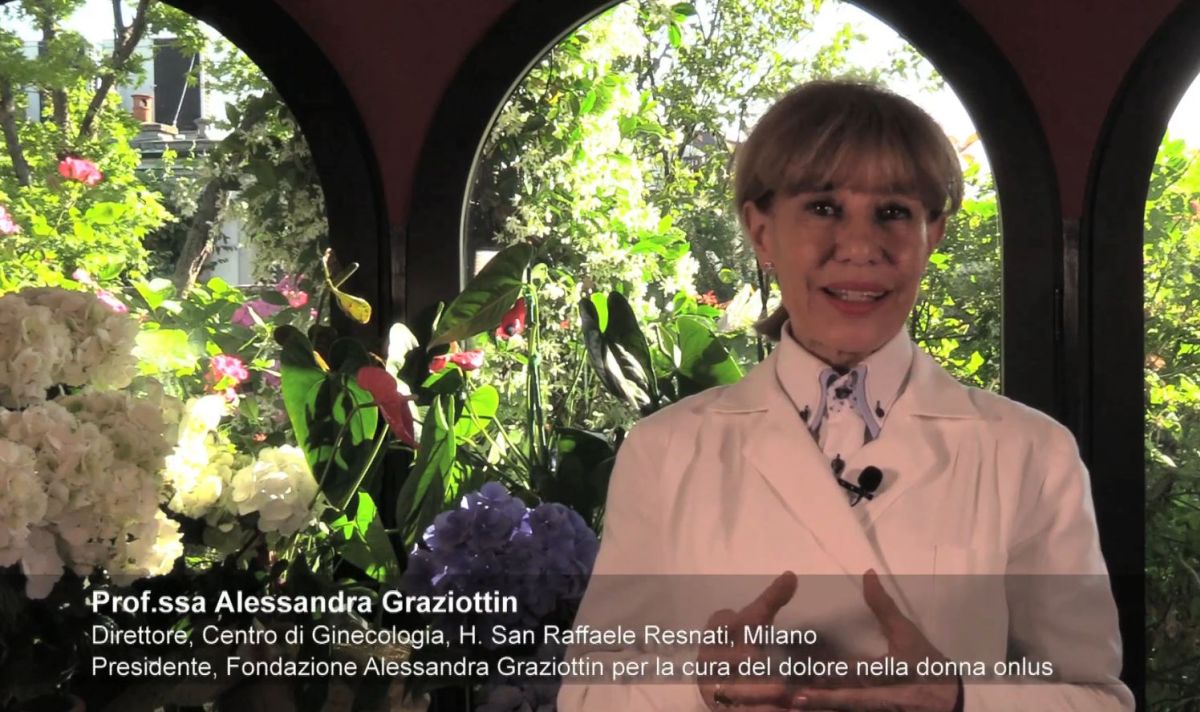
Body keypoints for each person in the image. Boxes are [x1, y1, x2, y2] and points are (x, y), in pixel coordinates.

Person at [555, 80, 1133, 711]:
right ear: (761, 230)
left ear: (933, 234)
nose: (859, 248)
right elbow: (587, 694)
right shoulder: (664, 451)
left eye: (893, 212)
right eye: (824, 207)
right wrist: (702, 689)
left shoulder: (1031, 453)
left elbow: (1097, 698)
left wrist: (957, 700)